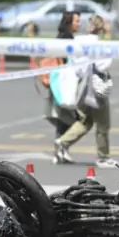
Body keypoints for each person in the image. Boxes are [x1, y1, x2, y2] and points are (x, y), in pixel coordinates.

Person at [54, 15, 118, 168]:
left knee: (85, 121)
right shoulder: (102, 45)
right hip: (96, 88)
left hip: (82, 86)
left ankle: (62, 142)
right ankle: (103, 156)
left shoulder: (78, 41)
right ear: (101, 29)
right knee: (103, 124)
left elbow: (74, 61)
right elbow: (103, 65)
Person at [44, 11, 81, 163]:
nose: (79, 24)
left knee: (63, 116)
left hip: (59, 80)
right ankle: (60, 148)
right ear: (69, 22)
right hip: (63, 81)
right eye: (77, 21)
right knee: (68, 116)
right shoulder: (66, 38)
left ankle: (61, 150)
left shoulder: (63, 36)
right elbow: (64, 58)